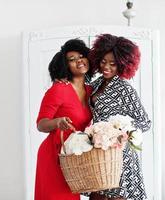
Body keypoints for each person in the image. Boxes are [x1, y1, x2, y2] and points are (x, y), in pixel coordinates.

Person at [87, 34, 151, 200]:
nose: (107, 67)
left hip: (119, 154)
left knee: (116, 196)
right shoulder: (95, 85)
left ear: (123, 64)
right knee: (97, 195)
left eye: (113, 63)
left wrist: (120, 131)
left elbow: (145, 121)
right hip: (99, 152)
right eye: (103, 62)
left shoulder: (124, 89)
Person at [35, 39, 93, 200]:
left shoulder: (92, 91)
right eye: (72, 59)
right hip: (55, 155)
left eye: (82, 56)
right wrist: (57, 122)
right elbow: (41, 124)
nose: (79, 61)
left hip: (75, 155)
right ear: (65, 65)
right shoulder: (59, 89)